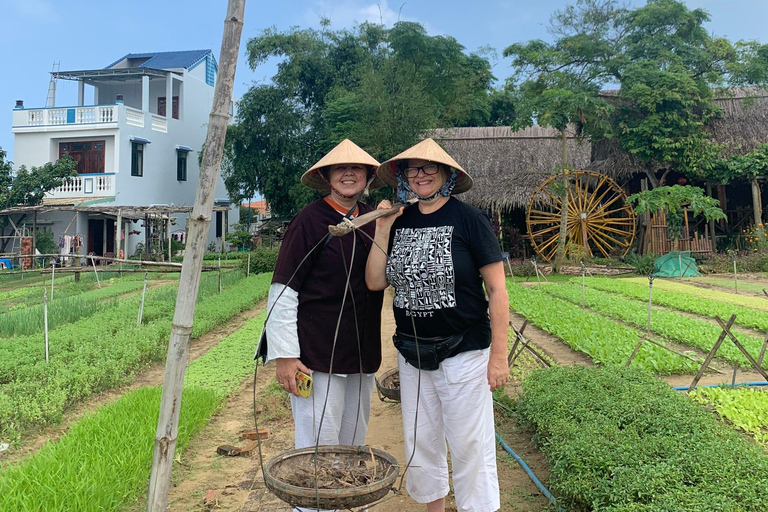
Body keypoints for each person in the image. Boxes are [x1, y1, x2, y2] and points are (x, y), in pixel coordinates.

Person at [365, 138, 509, 512]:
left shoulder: (469, 220)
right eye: (413, 169)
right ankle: (435, 508)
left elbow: (496, 291)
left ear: (447, 174)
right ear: (403, 177)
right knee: (421, 441)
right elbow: (375, 282)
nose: (421, 175)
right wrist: (382, 229)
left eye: (429, 168)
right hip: (413, 354)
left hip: (463, 351)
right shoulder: (399, 221)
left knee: (469, 444)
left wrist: (499, 355)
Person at [263, 139, 385, 461]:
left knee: (352, 447)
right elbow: (283, 289)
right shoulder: (309, 220)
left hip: (360, 352)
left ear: (368, 176)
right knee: (317, 453)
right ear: (327, 177)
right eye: (340, 168)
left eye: (356, 168)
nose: (348, 174)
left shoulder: (376, 220)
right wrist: (286, 355)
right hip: (317, 356)